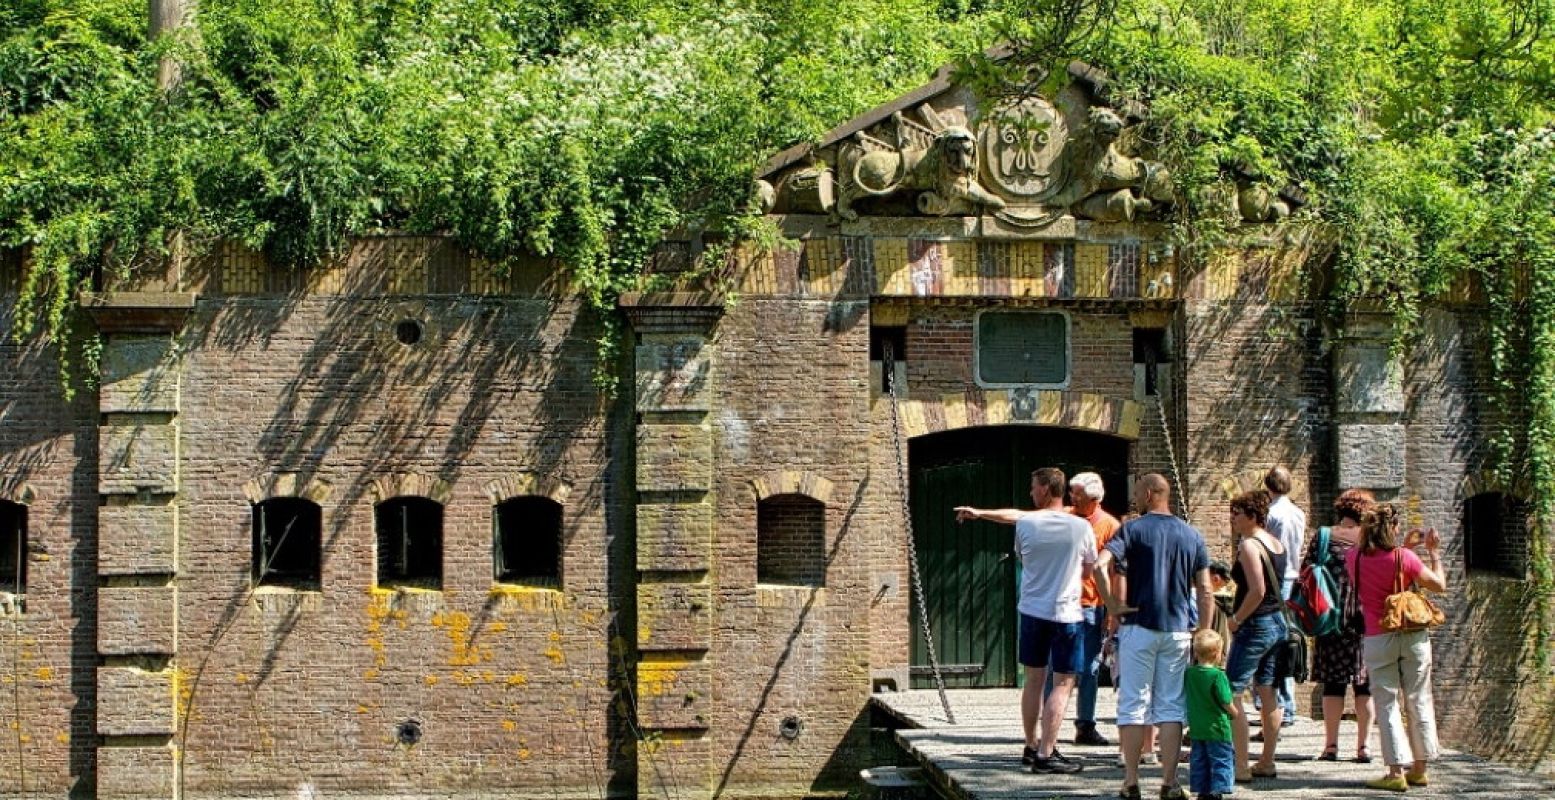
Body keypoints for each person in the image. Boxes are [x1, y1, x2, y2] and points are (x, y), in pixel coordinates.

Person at [955, 467, 1097, 775]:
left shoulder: (1026, 525)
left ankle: (1031, 745)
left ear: (1045, 489)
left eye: (1033, 487)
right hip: (1066, 615)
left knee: (1034, 681)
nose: (1031, 492)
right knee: (1062, 683)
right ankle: (1047, 753)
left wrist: (978, 513)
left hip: (1032, 611)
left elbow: (1021, 548)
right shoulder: (1082, 528)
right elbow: (1088, 573)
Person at [1093, 473, 1215, 800]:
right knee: (1171, 707)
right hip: (1177, 631)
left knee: (1133, 703)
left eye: (1136, 493)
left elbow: (1098, 566)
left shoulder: (1131, 530)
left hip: (1137, 628)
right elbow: (1205, 589)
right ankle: (1169, 783)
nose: (1134, 498)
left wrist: (1113, 604)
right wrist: (1203, 631)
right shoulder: (1192, 535)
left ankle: (1131, 782)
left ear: (1149, 494)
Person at [1346, 504, 1446, 792]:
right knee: (1419, 697)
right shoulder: (1407, 558)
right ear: (1395, 527)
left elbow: (1381, 571)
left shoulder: (1353, 559)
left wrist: (1402, 548)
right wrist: (1432, 552)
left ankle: (1394, 771)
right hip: (1413, 635)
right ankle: (1420, 768)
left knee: (1387, 703)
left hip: (1378, 636)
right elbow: (1438, 584)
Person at [1049, 470, 1121, 747]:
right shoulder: (1064, 516)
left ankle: (1085, 725)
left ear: (1092, 498)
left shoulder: (1110, 526)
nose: (1071, 497)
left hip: (1092, 604)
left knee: (1089, 668)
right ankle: (1049, 726)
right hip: (1063, 601)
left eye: (1076, 493)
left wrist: (1112, 610)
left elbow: (1115, 571)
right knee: (1056, 665)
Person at [1224, 489, 1287, 782]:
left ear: (1252, 516)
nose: (1232, 519)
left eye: (1236, 513)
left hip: (1256, 625)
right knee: (1268, 692)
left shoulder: (1250, 545)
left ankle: (1240, 765)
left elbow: (1257, 590)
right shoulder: (1276, 543)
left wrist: (1236, 619)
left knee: (1231, 691)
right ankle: (1267, 761)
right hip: (1277, 624)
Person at [1310, 488, 1375, 764]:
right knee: (1364, 685)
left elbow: (1307, 572)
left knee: (1333, 684)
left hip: (1331, 619)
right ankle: (1364, 747)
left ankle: (1331, 746)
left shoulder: (1324, 536)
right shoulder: (1372, 541)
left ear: (1342, 510)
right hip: (1364, 621)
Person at [1262, 466, 1306, 727]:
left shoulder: (1271, 514)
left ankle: (1281, 704)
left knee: (1274, 640)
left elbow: (1269, 550)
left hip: (1276, 579)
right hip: (1295, 576)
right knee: (1288, 639)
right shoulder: (1298, 512)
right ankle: (1285, 704)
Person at [1185, 629, 1237, 800]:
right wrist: (1234, 713)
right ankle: (1218, 790)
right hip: (1218, 728)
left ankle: (1202, 790)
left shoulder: (1189, 673)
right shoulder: (1218, 676)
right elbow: (1225, 700)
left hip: (1197, 728)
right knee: (1221, 760)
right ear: (1217, 654)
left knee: (1199, 760)